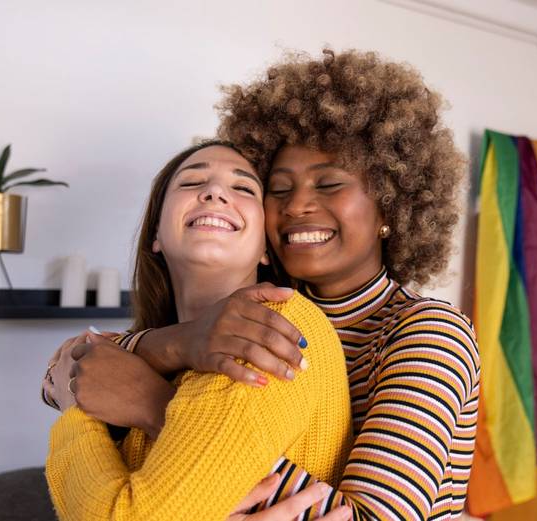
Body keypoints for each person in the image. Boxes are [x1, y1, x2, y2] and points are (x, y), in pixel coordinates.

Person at [46, 48, 481, 520]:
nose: (296, 206)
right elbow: (73, 371)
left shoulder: (428, 332)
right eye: (277, 188)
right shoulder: (241, 316)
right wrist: (175, 344)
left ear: (393, 205)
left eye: (329, 183)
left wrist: (157, 406)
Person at [42, 141, 354, 521]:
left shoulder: (273, 326)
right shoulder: (138, 359)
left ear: (265, 249)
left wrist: (76, 413)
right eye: (191, 182)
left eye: (243, 188)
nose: (215, 192)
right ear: (156, 233)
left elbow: (125, 515)